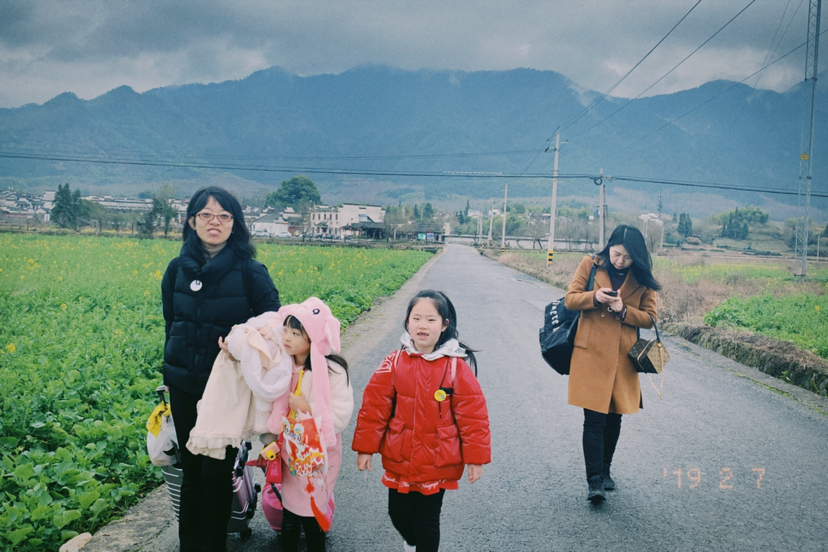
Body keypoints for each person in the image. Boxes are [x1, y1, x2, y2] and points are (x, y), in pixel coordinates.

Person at [161, 186, 281, 552]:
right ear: (192, 221)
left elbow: (273, 326)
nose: (215, 222)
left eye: (224, 216)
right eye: (206, 215)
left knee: (215, 473)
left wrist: (240, 342)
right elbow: (171, 323)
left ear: (235, 224)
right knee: (191, 472)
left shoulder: (250, 272)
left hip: (228, 388)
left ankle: (213, 545)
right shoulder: (176, 270)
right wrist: (169, 377)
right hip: (184, 383)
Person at [352, 290, 491, 552]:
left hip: (438, 460)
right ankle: (411, 542)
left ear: (444, 325)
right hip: (400, 456)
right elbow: (374, 407)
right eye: (416, 318)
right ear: (407, 322)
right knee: (398, 514)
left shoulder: (455, 367)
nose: (422, 325)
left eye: (430, 319)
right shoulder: (394, 362)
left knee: (428, 521)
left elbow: (473, 417)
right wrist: (365, 448)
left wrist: (476, 458)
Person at [564, 224, 660, 504]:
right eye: (617, 254)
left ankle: (605, 470)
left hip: (622, 357)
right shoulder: (590, 265)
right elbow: (570, 300)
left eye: (627, 257)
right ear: (609, 248)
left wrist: (624, 310)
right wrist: (594, 298)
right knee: (594, 418)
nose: (620, 261)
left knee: (614, 417)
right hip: (591, 353)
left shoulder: (641, 277)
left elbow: (651, 318)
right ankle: (594, 480)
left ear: (637, 257)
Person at [265, 297, 354, 552]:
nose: (287, 338)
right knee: (290, 510)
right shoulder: (283, 367)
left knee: (313, 510)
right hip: (291, 453)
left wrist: (307, 408)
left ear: (313, 337)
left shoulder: (332, 371)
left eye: (296, 333)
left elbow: (341, 413)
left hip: (319, 455)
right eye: (286, 330)